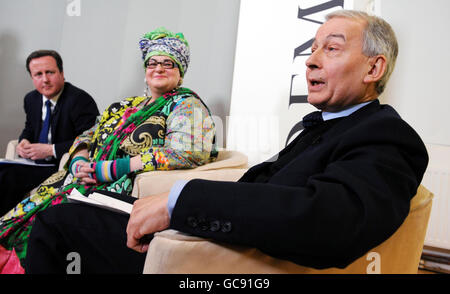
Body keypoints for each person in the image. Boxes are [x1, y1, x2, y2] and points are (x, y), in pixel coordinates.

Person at [25, 10, 428, 274]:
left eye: (332, 48)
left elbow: (330, 222)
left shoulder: (387, 136)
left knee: (58, 221)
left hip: (217, 262)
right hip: (212, 233)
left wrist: (178, 203)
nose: (311, 60)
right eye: (313, 47)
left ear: (374, 67)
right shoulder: (324, 125)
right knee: (72, 201)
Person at [0, 27, 217, 273]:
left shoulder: (187, 105)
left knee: (46, 225)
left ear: (180, 72)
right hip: (80, 179)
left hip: (116, 193)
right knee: (17, 218)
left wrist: (113, 168)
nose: (158, 68)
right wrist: (77, 161)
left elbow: (185, 152)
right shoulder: (125, 105)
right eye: (152, 62)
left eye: (168, 63)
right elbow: (86, 135)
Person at [0, 50, 99, 216]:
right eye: (38, 74)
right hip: (34, 163)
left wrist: (51, 150)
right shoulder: (31, 99)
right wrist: (24, 140)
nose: (45, 79)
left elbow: (90, 141)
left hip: (60, 165)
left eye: (50, 72)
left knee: (8, 177)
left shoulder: (80, 100)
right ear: (32, 78)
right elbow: (29, 128)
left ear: (61, 73)